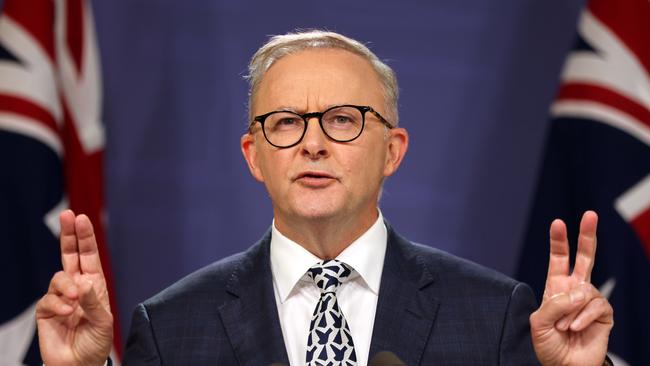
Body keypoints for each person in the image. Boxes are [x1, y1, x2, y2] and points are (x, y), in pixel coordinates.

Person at [36, 30, 614, 365]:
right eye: (285, 122)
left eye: (342, 119)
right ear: (253, 154)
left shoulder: (492, 316)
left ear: (392, 150)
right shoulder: (171, 328)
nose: (312, 143)